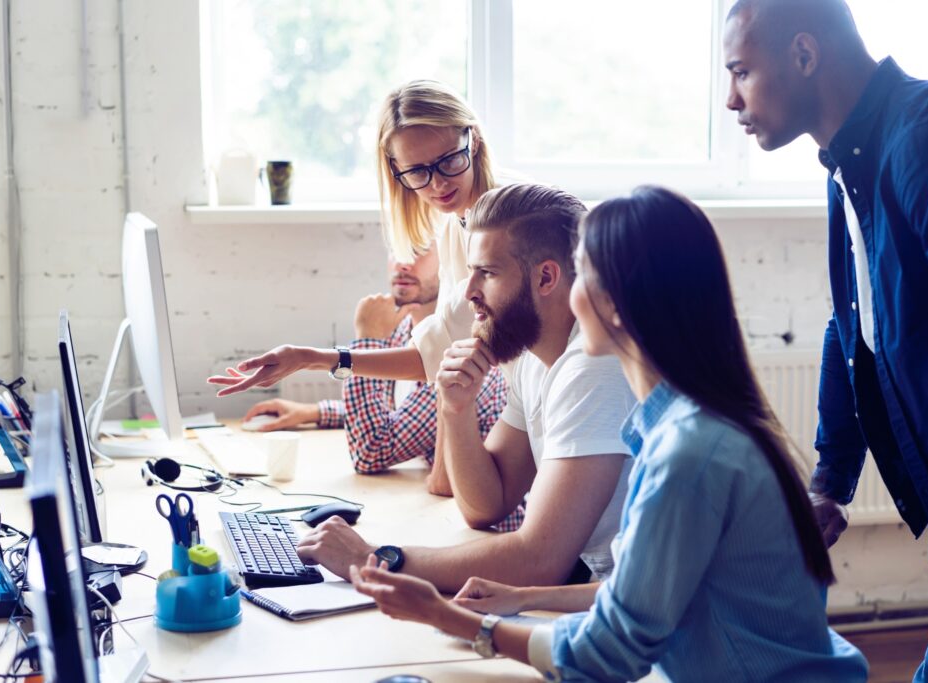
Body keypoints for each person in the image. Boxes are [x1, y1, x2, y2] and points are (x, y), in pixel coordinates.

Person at [349, 185, 869, 682]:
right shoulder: (679, 422)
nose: (572, 296)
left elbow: (611, 650)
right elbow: (638, 593)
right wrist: (522, 597)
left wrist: (447, 617)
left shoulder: (687, 453)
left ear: (615, 303)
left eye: (584, 277)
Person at [723, 0, 928, 679]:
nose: (730, 100)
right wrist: (830, 482)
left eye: (741, 72)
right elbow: (854, 326)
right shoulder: (851, 161)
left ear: (805, 56)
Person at [295, 183, 634, 592]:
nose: (469, 292)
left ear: (546, 277)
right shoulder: (533, 359)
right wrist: (456, 409)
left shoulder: (592, 367)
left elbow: (539, 560)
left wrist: (372, 559)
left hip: (633, 614)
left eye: (487, 273)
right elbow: (486, 506)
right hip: (593, 592)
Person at [208, 80, 502, 394]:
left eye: (448, 161)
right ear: (396, 169)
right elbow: (439, 354)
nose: (438, 185)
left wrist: (310, 358)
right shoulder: (454, 224)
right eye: (417, 172)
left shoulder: (503, 222)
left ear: (473, 140)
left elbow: (433, 357)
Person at [237, 247, 515, 532]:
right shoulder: (404, 327)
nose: (404, 263)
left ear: (447, 256)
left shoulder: (463, 350)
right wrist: (316, 412)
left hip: (483, 532)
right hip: (439, 514)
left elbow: (372, 451)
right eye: (397, 249)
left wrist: (368, 339)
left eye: (418, 250)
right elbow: (403, 413)